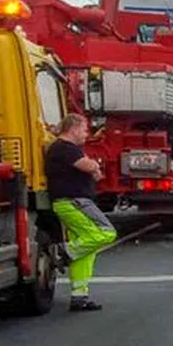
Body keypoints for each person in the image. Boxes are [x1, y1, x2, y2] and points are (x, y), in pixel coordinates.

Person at [46, 113, 118, 312]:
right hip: (73, 202)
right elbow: (89, 166)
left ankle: (79, 296)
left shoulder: (70, 149)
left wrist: (93, 168)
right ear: (74, 128)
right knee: (105, 232)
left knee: (86, 250)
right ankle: (64, 253)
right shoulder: (64, 149)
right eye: (85, 130)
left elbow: (95, 173)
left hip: (73, 202)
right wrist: (93, 165)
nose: (87, 134)